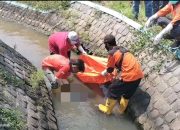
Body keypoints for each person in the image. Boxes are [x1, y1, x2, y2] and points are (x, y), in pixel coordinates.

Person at [98, 35, 144, 115]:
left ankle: (107, 110)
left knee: (112, 90)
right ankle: (121, 111)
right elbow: (122, 64)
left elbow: (110, 69)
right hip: (138, 75)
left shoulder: (111, 53)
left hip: (129, 76)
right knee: (126, 95)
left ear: (107, 44)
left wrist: (104, 72)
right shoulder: (123, 49)